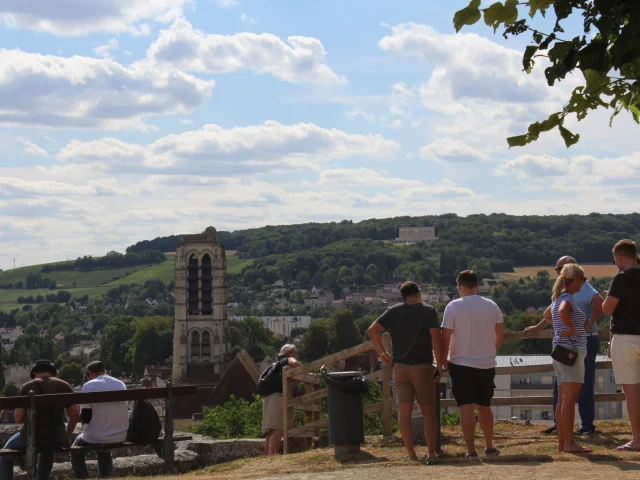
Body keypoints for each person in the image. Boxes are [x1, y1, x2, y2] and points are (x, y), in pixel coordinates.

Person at [524, 255, 603, 436]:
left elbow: (598, 303)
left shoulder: (582, 288)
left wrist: (586, 324)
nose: (558, 272)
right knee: (564, 386)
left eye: (560, 269)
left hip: (582, 340)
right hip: (572, 342)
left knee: (579, 384)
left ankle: (583, 425)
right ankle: (562, 426)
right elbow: (550, 313)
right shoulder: (565, 292)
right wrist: (540, 327)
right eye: (557, 269)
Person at [368, 281, 442, 465]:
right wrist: (440, 365)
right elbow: (436, 339)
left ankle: (411, 453)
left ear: (402, 296)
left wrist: (382, 353)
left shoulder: (394, 311)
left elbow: (372, 330)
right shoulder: (428, 311)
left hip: (399, 367)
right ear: (418, 293)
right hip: (422, 367)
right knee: (428, 412)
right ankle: (431, 453)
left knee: (404, 412)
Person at [441, 270, 504, 458]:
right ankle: (489, 446)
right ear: (477, 286)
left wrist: (443, 359)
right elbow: (500, 334)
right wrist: (491, 350)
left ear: (459, 285)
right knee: (484, 406)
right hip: (486, 363)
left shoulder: (453, 306)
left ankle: (471, 450)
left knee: (466, 407)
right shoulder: (492, 306)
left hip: (460, 363)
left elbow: (445, 336)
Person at [0, 359, 78, 480]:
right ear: (51, 372)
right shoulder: (65, 385)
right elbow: (74, 414)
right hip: (53, 437)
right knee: (47, 449)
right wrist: (67, 435)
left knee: (5, 453)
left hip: (29, 436)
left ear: (35, 373)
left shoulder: (27, 386)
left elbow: (18, 419)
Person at [549, 263, 592, 453]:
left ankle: (562, 443)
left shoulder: (557, 298)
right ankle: (569, 443)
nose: (584, 283)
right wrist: (571, 329)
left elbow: (548, 314)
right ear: (575, 280)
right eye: (583, 279)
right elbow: (562, 312)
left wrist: (560, 329)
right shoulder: (566, 299)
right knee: (570, 399)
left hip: (560, 350)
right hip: (571, 351)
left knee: (562, 400)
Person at [602, 239, 640, 451]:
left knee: (631, 391)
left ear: (619, 256)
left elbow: (607, 310)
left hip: (626, 339)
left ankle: (637, 439)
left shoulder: (621, 278)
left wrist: (606, 298)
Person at [71, 361, 128, 478]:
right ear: (104, 371)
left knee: (76, 451)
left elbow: (86, 418)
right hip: (120, 435)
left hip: (97, 437)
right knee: (104, 448)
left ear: (90, 373)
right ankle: (105, 477)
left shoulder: (88, 386)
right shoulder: (121, 384)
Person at [262, 344, 301, 456]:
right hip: (278, 397)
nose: (296, 355)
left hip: (268, 397)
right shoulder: (288, 360)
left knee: (270, 431)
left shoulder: (276, 365)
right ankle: (272, 456)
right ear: (289, 353)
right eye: (294, 352)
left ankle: (268, 457)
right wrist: (307, 373)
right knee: (278, 428)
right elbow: (296, 364)